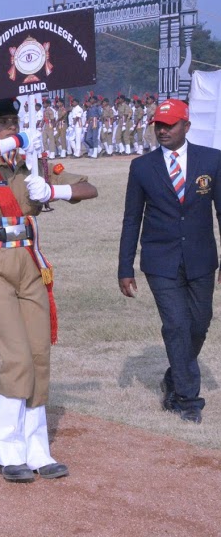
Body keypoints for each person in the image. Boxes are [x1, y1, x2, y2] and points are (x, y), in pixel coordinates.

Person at [0, 98, 97, 482]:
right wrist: (13, 140)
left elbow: (90, 188)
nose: (12, 128)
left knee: (39, 357)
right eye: (3, 123)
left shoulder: (32, 165)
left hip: (31, 265)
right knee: (17, 357)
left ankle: (37, 450)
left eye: (15, 122)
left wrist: (55, 193)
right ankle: (7, 449)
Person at [118, 99, 221, 425]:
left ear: (186, 126)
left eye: (170, 125)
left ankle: (174, 376)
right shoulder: (142, 167)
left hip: (202, 259)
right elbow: (131, 219)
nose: (162, 130)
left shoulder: (212, 160)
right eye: (158, 125)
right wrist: (125, 267)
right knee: (176, 325)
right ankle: (187, 400)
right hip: (160, 261)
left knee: (199, 324)